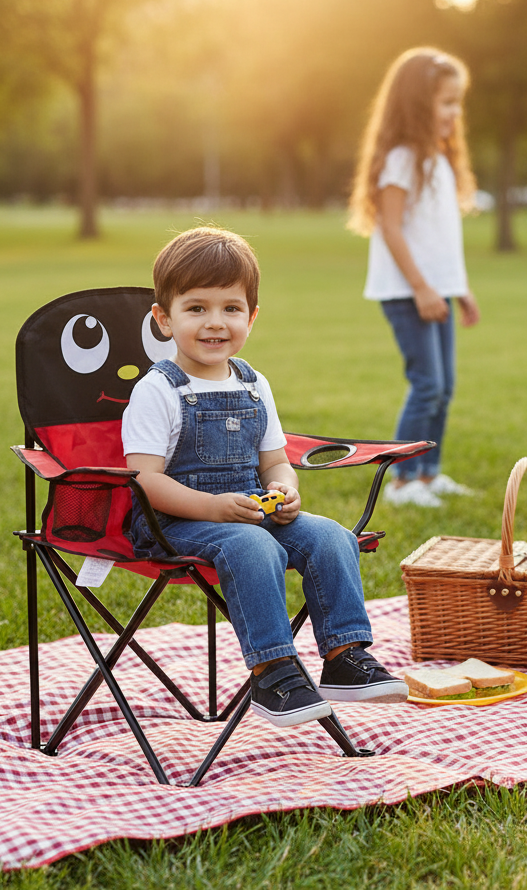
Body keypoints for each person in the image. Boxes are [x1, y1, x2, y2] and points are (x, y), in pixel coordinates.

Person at [122, 226, 408, 729]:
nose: (215, 323)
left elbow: (275, 461)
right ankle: (274, 672)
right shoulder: (158, 391)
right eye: (197, 309)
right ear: (164, 320)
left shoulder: (254, 385)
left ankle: (343, 655)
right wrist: (214, 508)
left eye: (231, 309)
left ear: (251, 317)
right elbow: (144, 480)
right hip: (172, 521)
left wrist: (285, 490)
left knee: (330, 535)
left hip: (250, 511)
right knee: (256, 548)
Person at [347, 47, 480, 508]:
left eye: (456, 102)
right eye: (445, 102)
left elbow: (439, 239)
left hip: (435, 291)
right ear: (416, 105)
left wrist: (458, 289)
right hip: (408, 292)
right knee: (427, 384)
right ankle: (402, 482)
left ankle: (428, 473)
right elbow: (391, 226)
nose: (454, 112)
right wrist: (422, 287)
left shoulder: (437, 159)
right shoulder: (403, 158)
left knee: (444, 388)